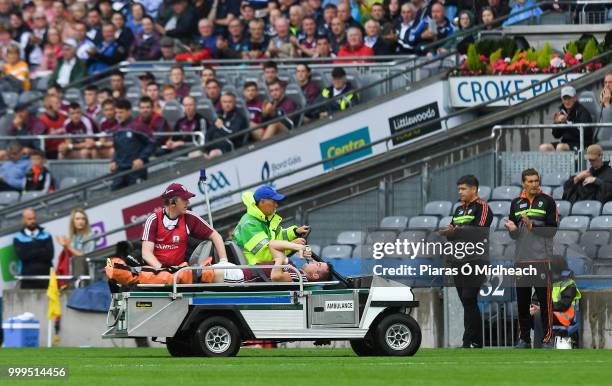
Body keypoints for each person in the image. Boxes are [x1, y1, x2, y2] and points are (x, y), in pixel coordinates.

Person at [505, 168, 558, 349]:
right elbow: (515, 235)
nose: (534, 184)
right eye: (530, 181)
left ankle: (547, 338)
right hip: (521, 260)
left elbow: (552, 230)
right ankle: (524, 339)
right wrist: (512, 230)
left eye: (536, 181)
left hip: (542, 259)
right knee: (522, 302)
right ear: (523, 183)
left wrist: (532, 225)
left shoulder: (548, 201)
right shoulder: (516, 203)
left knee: (545, 302)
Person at [439, 175, 492, 348]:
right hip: (458, 259)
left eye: (463, 189)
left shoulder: (483, 207)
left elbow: (479, 232)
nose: (459, 192)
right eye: (459, 189)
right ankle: (475, 341)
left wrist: (455, 232)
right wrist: (450, 233)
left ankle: (468, 340)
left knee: (469, 298)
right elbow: (453, 232)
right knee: (466, 300)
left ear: (474, 189)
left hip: (476, 259)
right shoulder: (459, 209)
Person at [141, 183, 228, 269]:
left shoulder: (190, 217)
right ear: (172, 202)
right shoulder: (153, 219)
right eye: (184, 199)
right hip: (157, 273)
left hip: (180, 271)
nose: (188, 202)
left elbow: (215, 236)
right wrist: (163, 270)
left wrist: (223, 261)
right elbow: (146, 253)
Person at [232, 185, 311, 265]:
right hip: (257, 269)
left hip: (264, 268)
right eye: (273, 202)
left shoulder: (262, 218)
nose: (276, 205)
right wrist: (292, 246)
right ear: (262, 202)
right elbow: (267, 255)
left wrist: (295, 232)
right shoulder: (249, 224)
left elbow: (277, 236)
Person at [109, 99, 155, 191]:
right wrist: (113, 161)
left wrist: (142, 158)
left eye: (121, 112)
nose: (118, 115)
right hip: (120, 170)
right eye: (117, 112)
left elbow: (152, 144)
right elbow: (117, 149)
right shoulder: (116, 129)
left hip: (136, 170)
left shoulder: (139, 127)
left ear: (129, 111)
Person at [13, 208, 54, 289]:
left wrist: (30, 250)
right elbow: (23, 256)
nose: (32, 221)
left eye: (34, 218)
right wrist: (40, 249)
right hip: (27, 278)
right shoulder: (18, 238)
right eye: (29, 219)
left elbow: (49, 255)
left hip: (46, 277)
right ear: (24, 220)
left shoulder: (46, 235)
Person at [204, 92, 248, 159]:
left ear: (234, 103)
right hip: (214, 146)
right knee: (196, 154)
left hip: (230, 147)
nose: (227, 104)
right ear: (221, 103)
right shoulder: (219, 115)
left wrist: (221, 127)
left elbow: (233, 135)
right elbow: (209, 133)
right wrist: (206, 146)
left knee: (213, 154)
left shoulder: (239, 117)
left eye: (230, 102)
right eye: (224, 102)